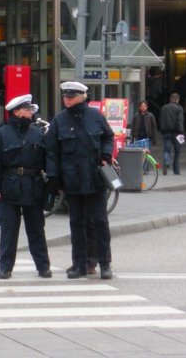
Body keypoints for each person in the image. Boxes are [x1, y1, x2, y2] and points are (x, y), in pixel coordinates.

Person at [45, 81, 115, 280]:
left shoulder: (95, 116)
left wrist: (106, 155)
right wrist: (54, 179)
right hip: (72, 180)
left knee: (100, 222)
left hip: (95, 179)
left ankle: (105, 264)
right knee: (77, 223)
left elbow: (108, 137)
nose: (66, 99)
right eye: (65, 96)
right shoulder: (59, 120)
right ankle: (80, 264)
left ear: (82, 97)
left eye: (71, 96)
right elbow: (52, 152)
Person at [0, 94, 51, 280]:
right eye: (27, 109)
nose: (31, 112)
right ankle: (5, 268)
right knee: (8, 230)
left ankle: (43, 266)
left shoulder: (37, 133)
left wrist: (54, 183)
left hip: (33, 186)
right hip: (9, 187)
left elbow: (47, 160)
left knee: (37, 229)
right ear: (16, 111)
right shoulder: (1, 134)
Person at [159, 92, 185, 175]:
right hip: (177, 133)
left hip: (166, 132)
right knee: (177, 152)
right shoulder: (179, 108)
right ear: (177, 100)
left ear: (170, 99)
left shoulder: (164, 108)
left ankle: (166, 162)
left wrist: (162, 130)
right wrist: (181, 132)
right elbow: (180, 121)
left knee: (167, 150)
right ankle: (176, 170)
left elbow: (161, 120)